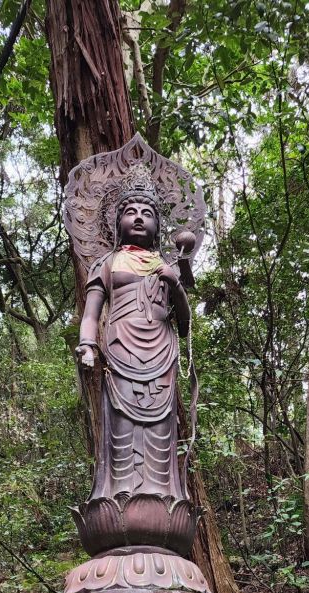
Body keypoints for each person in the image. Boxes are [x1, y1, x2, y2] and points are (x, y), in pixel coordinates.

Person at [75, 185, 191, 504]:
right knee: (122, 424)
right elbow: (91, 314)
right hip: (120, 351)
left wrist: (174, 283)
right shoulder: (107, 263)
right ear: (117, 223)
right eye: (130, 212)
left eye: (147, 213)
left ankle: (162, 496)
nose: (139, 218)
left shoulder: (166, 264)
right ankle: (120, 495)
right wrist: (87, 344)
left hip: (161, 352)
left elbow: (184, 324)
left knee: (160, 428)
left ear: (157, 226)